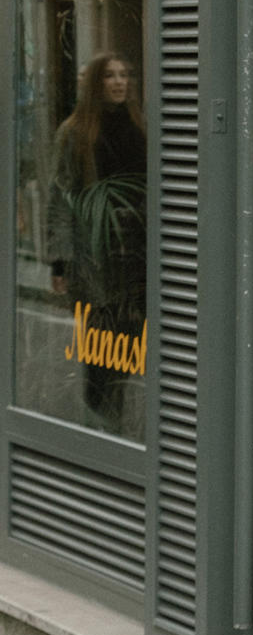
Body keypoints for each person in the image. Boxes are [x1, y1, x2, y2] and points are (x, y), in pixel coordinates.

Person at [47, 52, 147, 427]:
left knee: (132, 344)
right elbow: (61, 200)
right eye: (110, 76)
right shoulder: (75, 132)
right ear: (95, 84)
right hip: (95, 258)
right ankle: (103, 426)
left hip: (136, 256)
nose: (119, 82)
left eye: (125, 74)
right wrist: (61, 262)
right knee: (101, 349)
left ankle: (119, 422)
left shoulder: (142, 126)